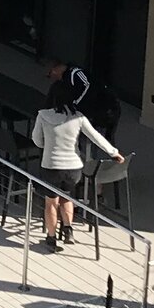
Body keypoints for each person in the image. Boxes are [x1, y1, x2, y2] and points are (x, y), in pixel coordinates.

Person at [30, 70, 122, 250]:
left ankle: (51, 238)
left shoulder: (43, 115)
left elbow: (36, 140)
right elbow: (96, 137)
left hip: (51, 166)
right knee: (67, 197)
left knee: (51, 202)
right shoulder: (79, 117)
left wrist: (46, 145)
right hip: (73, 168)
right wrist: (114, 153)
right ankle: (68, 230)